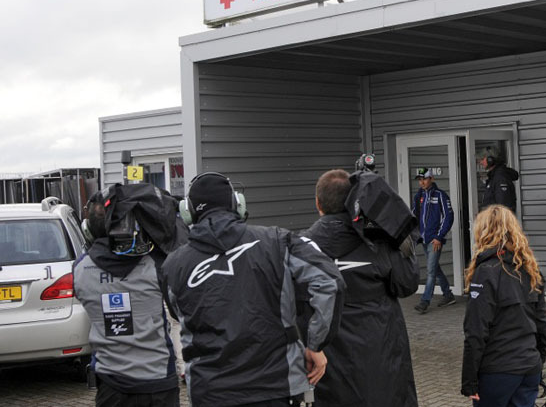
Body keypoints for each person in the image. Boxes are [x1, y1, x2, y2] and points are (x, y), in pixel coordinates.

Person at [161, 172, 345, 407]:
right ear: (238, 204)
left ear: (188, 212)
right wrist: (316, 344)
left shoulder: (172, 265)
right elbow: (329, 282)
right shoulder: (277, 241)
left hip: (210, 393)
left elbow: (178, 315)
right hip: (276, 388)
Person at [300, 169, 419, 407]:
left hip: (329, 367)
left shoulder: (300, 248)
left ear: (318, 203)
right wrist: (402, 240)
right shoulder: (379, 242)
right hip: (382, 360)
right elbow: (408, 283)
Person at [73, 183, 184, 407]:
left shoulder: (80, 270)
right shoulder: (156, 265)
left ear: (88, 230)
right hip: (158, 383)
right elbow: (179, 312)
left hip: (111, 385)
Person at [461, 205, 546, 407]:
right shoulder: (530, 270)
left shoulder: (485, 272)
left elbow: (476, 331)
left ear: (483, 232)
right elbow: (542, 326)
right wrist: (537, 360)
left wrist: (469, 381)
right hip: (528, 368)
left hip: (497, 372)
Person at [411, 167, 455, 314]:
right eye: (420, 179)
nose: (422, 182)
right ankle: (448, 295)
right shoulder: (418, 196)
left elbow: (448, 217)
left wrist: (439, 237)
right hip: (424, 239)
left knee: (430, 271)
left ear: (432, 179)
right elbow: (414, 216)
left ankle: (424, 302)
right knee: (435, 268)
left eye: (425, 179)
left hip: (435, 240)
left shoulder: (441, 195)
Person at [479, 146, 519, 213]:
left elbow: (503, 208)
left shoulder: (500, 178)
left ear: (490, 160)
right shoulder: (494, 177)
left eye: (483, 159)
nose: (481, 162)